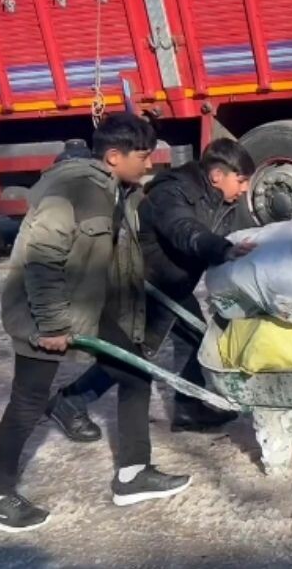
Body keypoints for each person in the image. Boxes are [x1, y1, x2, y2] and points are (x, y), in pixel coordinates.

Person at [0, 113, 191, 533]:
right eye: (143, 156)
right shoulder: (73, 191)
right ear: (114, 156)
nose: (149, 165)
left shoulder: (114, 189)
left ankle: (132, 474)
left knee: (134, 372)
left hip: (87, 309)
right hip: (42, 314)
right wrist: (53, 325)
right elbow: (41, 260)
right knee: (27, 403)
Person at [45, 138, 257, 441]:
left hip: (173, 283)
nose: (245, 189)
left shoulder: (223, 200)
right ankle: (69, 401)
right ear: (216, 176)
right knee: (132, 356)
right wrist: (221, 249)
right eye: (241, 180)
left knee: (196, 337)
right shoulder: (172, 191)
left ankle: (187, 408)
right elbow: (184, 230)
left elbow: (218, 242)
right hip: (140, 282)